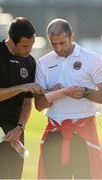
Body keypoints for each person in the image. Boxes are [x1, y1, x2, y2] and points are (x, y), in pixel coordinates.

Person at [0, 17, 44, 179]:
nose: (29, 49)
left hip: (15, 129)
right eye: (25, 46)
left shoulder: (30, 62)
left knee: (14, 177)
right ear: (11, 41)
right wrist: (21, 87)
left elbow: (27, 102)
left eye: (32, 45)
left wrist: (20, 127)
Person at [35, 18, 102, 179]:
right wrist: (53, 93)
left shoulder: (92, 59)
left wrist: (85, 92)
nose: (59, 48)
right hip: (54, 130)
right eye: (54, 44)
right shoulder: (43, 63)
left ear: (72, 36)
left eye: (63, 43)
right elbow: (38, 105)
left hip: (84, 129)